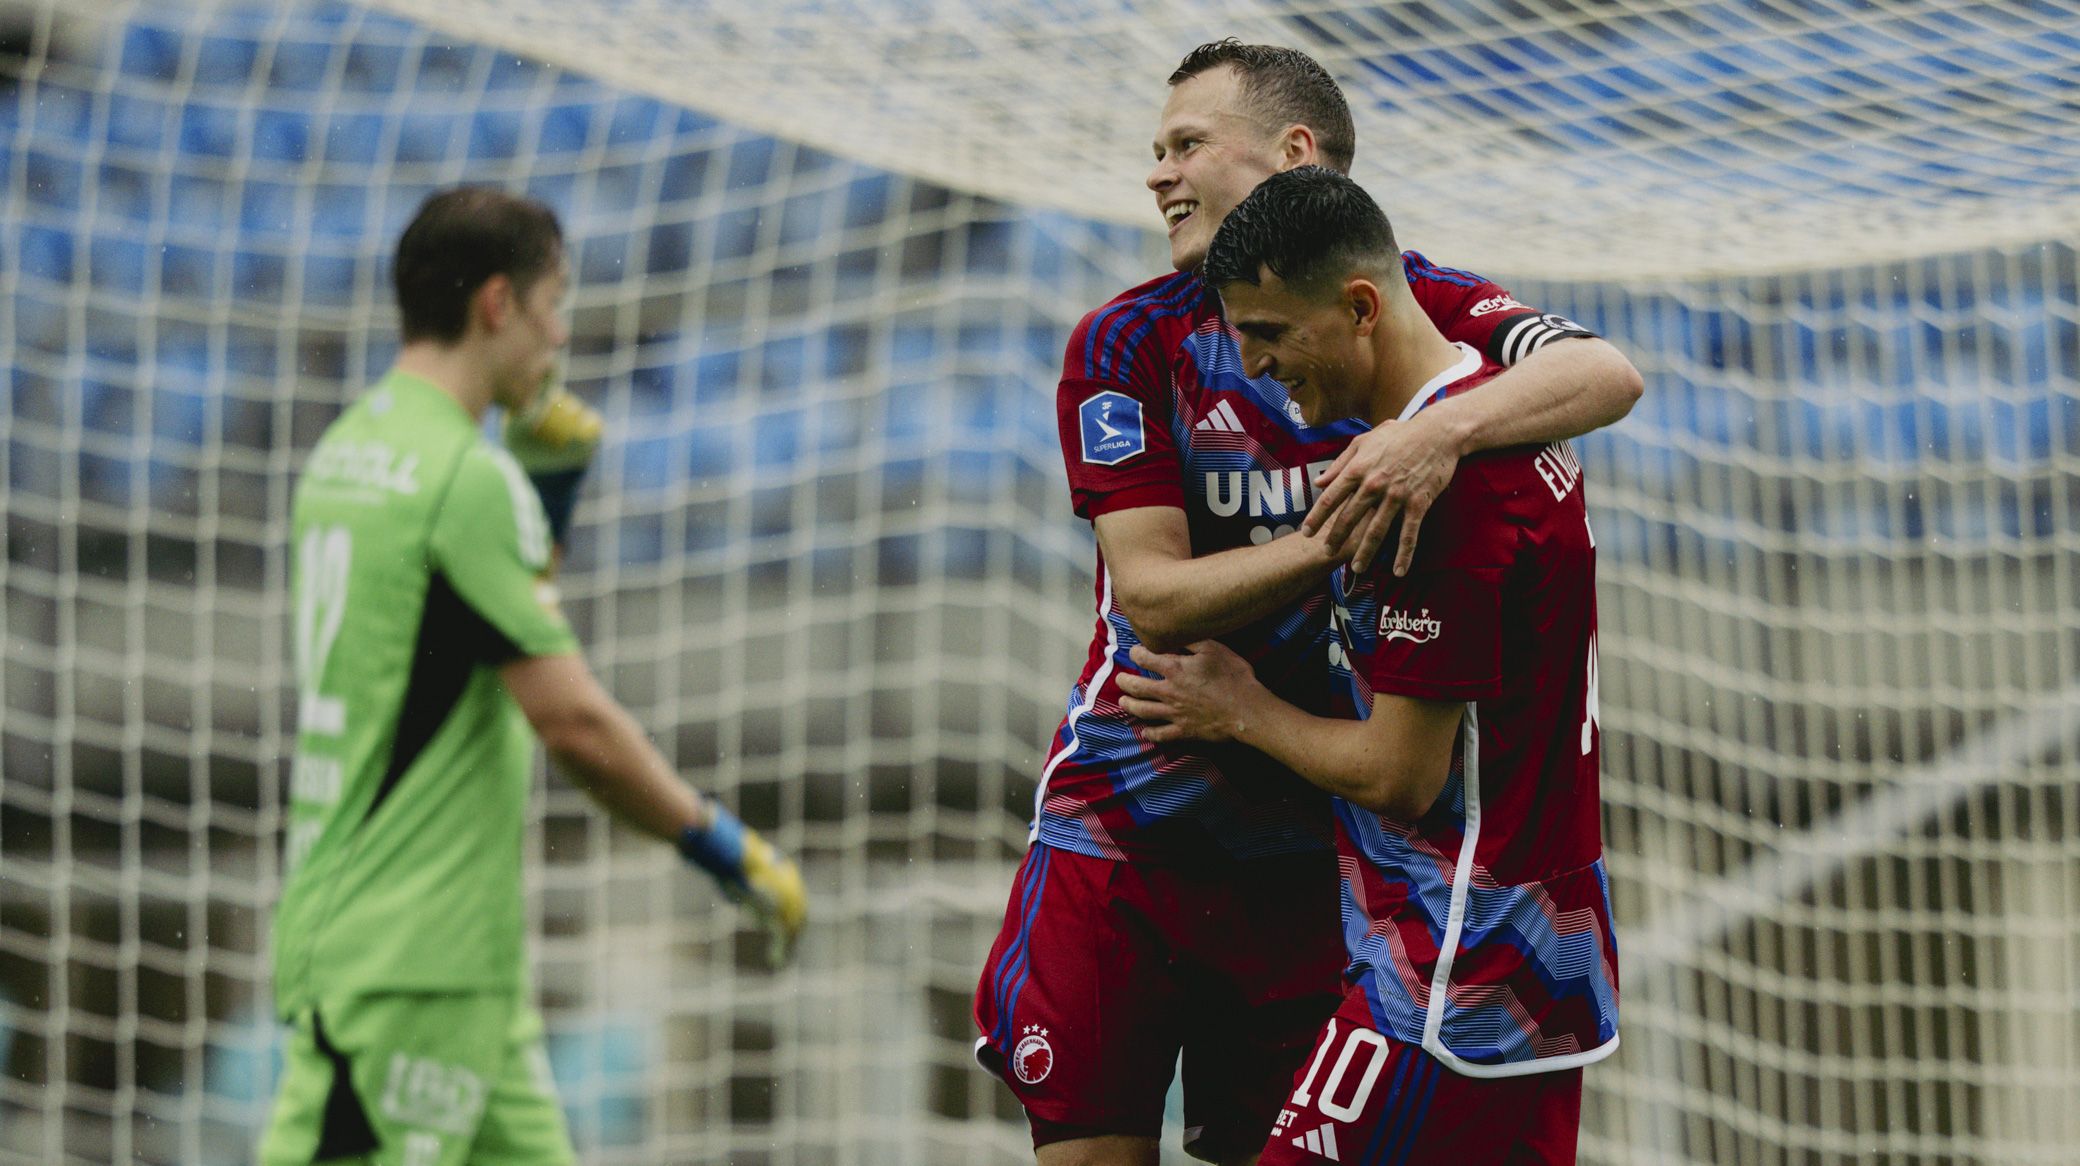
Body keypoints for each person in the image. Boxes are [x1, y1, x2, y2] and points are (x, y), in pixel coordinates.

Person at [972, 39, 1638, 1166]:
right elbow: (1151, 595)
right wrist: (1347, 518)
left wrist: (1433, 435)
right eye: (1155, 150)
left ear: (1292, 152)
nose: (1157, 173)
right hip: (1131, 820)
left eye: (1185, 144)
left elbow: (1610, 375)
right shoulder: (1130, 339)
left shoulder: (1426, 325)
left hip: (1326, 855)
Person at [258, 187, 806, 1166]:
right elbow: (573, 724)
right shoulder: (465, 479)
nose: (561, 333)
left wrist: (544, 495)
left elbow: (448, 633)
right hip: (405, 965)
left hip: (440, 955)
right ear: (498, 304)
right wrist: (723, 845)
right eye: (554, 302)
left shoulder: (348, 449)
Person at [1118, 166, 1617, 1165]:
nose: (1255, 365)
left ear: (1357, 308)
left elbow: (1400, 771)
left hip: (1456, 968)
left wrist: (1239, 706)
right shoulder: (1481, 411)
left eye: (1267, 332)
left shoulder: (1442, 489)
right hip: (1529, 961)